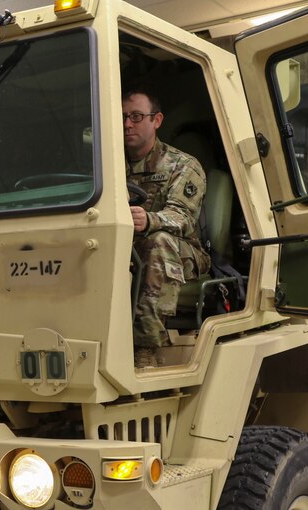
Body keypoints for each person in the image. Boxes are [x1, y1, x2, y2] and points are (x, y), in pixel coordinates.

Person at [123, 87, 211, 355]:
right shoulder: (109, 165)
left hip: (182, 252)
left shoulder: (182, 165)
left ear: (156, 120)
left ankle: (145, 349)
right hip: (126, 246)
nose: (127, 124)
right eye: (123, 117)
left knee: (158, 242)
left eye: (136, 116)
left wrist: (150, 220)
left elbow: (183, 217)